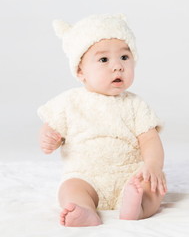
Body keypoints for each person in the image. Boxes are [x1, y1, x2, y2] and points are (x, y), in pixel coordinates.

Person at [38, 14, 167, 227]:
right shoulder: (69, 102)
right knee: (70, 189)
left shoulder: (136, 104)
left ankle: (136, 206)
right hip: (86, 176)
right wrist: (48, 137)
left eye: (124, 57)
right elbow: (50, 128)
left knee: (153, 188)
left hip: (130, 175)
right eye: (104, 60)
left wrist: (153, 165)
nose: (117, 66)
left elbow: (150, 139)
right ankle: (85, 211)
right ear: (80, 71)